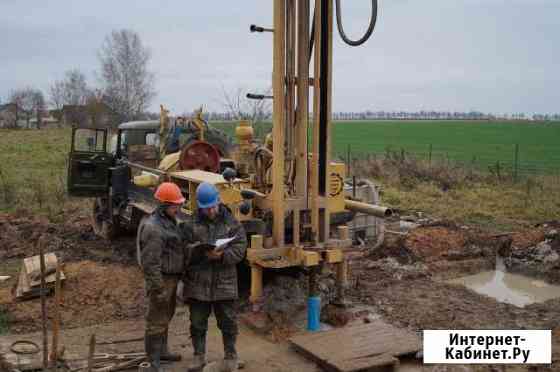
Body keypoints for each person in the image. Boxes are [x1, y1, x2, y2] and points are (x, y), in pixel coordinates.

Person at [183, 182, 247, 372]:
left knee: (228, 322)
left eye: (212, 206)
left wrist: (223, 256)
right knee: (197, 322)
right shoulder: (190, 224)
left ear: (218, 201)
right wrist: (199, 252)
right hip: (198, 282)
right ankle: (198, 356)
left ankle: (230, 356)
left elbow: (240, 248)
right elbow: (183, 248)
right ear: (200, 207)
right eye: (206, 208)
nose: (210, 211)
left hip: (224, 281)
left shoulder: (232, 223)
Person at [138, 182, 186, 372]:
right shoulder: (154, 228)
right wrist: (158, 288)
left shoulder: (169, 221)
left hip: (172, 277)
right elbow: (150, 263)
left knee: (166, 316)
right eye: (175, 205)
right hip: (162, 280)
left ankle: (162, 351)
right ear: (165, 205)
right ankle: (153, 362)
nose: (179, 208)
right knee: (156, 320)